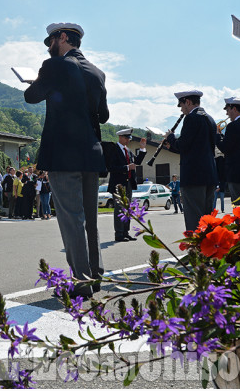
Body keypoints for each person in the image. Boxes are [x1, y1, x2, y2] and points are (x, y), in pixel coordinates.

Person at [25, 22, 109, 299]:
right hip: (91, 154)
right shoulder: (98, 72)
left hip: (64, 155)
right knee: (91, 221)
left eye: (50, 41)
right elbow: (103, 115)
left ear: (62, 37)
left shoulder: (55, 66)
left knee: (72, 219)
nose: (48, 46)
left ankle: (81, 282)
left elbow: (31, 96)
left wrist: (40, 82)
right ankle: (95, 276)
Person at [165, 90, 217, 232]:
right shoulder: (210, 119)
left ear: (187, 102)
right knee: (208, 219)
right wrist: (172, 147)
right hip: (209, 175)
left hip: (194, 176)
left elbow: (183, 145)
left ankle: (197, 252)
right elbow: (195, 148)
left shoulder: (192, 118)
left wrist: (170, 137)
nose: (182, 109)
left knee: (195, 219)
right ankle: (208, 251)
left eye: (181, 105)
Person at [214, 97, 240, 204]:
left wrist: (218, 135)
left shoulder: (233, 126)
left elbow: (225, 148)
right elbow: (235, 144)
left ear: (234, 109)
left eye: (227, 110)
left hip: (237, 175)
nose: (227, 114)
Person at [106, 129, 147, 242]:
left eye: (129, 138)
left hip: (128, 183)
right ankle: (118, 234)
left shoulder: (127, 150)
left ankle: (125, 232)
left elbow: (137, 161)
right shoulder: (114, 150)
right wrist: (127, 167)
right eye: (126, 138)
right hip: (118, 184)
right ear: (120, 137)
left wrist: (142, 148)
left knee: (127, 209)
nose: (128, 140)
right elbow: (111, 167)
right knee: (119, 209)